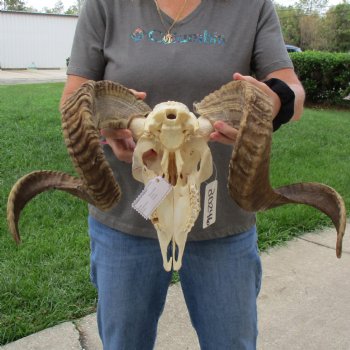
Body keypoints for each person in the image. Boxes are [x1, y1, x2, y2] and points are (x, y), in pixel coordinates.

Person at [60, 0, 305, 349]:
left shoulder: (252, 6)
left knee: (231, 342)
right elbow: (73, 97)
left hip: (221, 219)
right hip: (127, 216)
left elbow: (292, 90)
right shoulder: (105, 4)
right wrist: (109, 118)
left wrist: (272, 103)